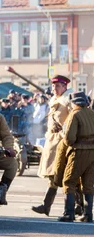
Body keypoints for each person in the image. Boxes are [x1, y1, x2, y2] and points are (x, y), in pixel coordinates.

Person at [32, 75, 72, 216]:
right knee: (52, 176)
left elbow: (74, 119)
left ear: (65, 87)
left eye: (58, 86)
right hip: (52, 141)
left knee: (67, 177)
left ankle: (75, 207)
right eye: (54, 86)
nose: (55, 89)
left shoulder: (69, 100)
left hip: (63, 143)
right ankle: (46, 205)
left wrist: (63, 131)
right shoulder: (55, 100)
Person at [58, 92, 94, 223]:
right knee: (88, 184)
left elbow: (69, 139)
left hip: (79, 152)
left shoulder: (74, 115)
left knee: (69, 181)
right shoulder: (92, 113)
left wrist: (62, 134)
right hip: (93, 153)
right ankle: (88, 214)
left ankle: (69, 213)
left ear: (73, 103)